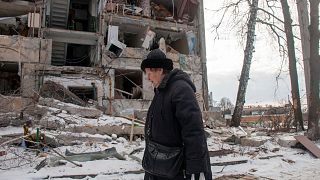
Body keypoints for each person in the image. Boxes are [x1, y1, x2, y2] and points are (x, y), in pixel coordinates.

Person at [141, 49, 212, 180]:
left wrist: (196, 169)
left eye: (149, 73)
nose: (147, 77)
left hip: (177, 170)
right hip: (161, 168)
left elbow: (193, 131)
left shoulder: (180, 89)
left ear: (159, 70)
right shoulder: (161, 92)